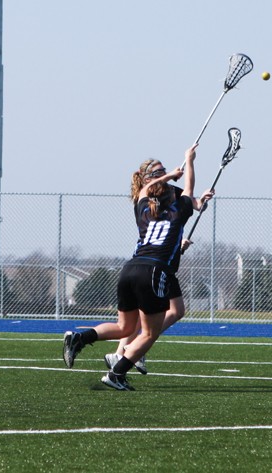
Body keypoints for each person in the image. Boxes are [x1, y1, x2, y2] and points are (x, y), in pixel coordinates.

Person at [62, 145, 213, 390]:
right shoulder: (178, 211)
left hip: (130, 269)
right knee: (149, 333)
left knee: (125, 328)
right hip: (153, 272)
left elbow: (159, 191)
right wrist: (189, 161)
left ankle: (80, 338)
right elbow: (189, 190)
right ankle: (116, 374)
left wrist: (171, 175)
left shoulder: (142, 208)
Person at [103, 156, 214, 375]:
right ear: (150, 178)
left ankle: (134, 348)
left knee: (175, 311)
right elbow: (179, 205)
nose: (166, 172)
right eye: (159, 171)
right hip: (156, 266)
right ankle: (128, 351)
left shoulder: (167, 190)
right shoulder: (152, 195)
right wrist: (188, 162)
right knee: (140, 319)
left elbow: (190, 201)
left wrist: (199, 201)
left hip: (164, 263)